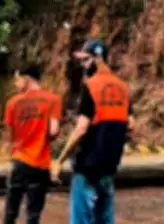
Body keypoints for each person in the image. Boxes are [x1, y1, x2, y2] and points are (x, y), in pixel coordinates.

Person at [51, 39, 132, 224]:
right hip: (110, 167)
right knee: (104, 219)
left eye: (86, 60)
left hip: (87, 167)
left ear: (99, 58)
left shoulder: (92, 86)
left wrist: (60, 160)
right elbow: (131, 124)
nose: (83, 65)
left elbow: (81, 130)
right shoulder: (123, 88)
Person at [3, 64, 63, 224]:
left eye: (17, 80)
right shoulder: (53, 100)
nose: (16, 84)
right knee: (33, 215)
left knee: (10, 212)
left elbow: (11, 136)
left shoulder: (12, 103)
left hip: (20, 161)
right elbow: (53, 131)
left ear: (26, 78)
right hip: (41, 164)